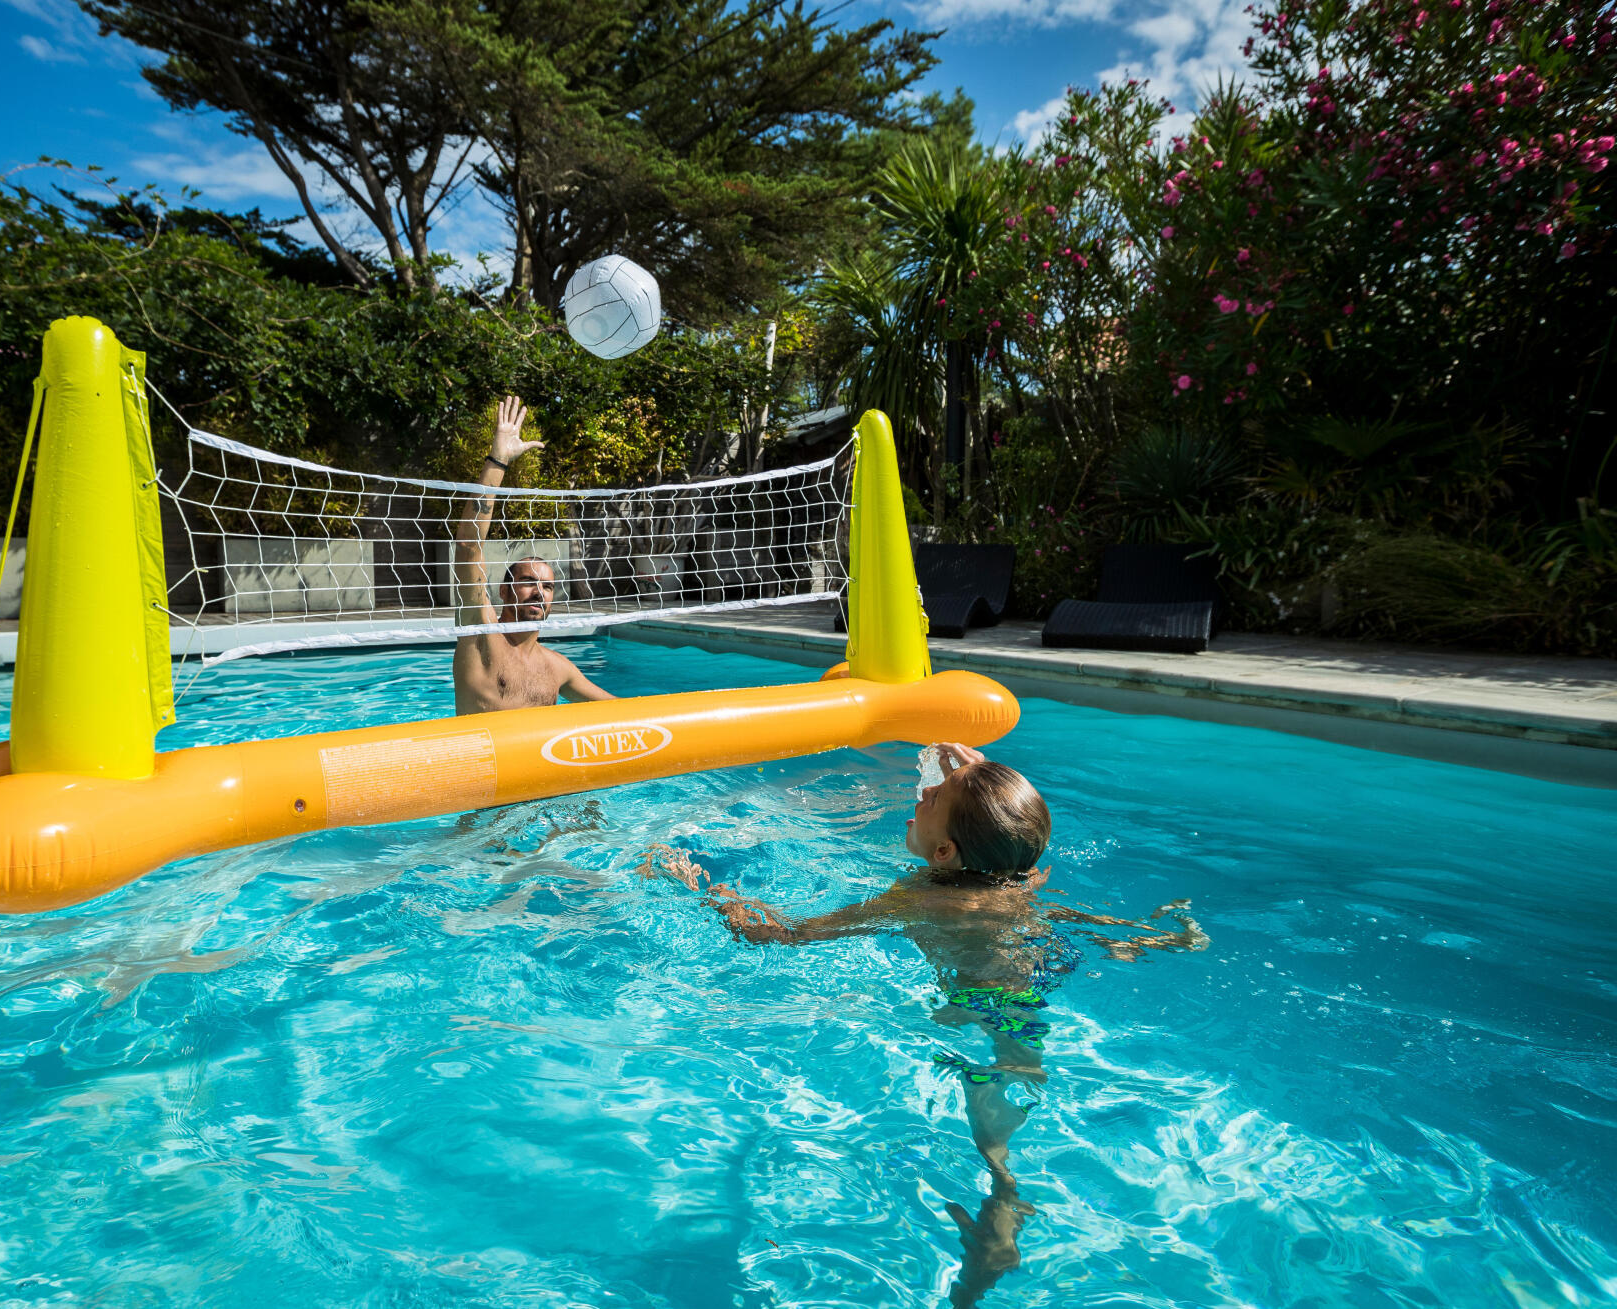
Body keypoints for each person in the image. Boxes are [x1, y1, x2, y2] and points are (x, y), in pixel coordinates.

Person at [640, 743, 1206, 1308]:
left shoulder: (917, 898)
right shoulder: (1013, 876)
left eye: (932, 796)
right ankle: (1140, 943)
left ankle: (1005, 1204)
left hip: (976, 1002)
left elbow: (789, 935)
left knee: (989, 1112)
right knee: (1009, 1080)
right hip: (1032, 979)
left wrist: (705, 891)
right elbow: (1009, 834)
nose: (921, 793)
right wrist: (977, 779)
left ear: (942, 853)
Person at [453, 395, 614, 715]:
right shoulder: (480, 633)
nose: (539, 592)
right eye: (528, 582)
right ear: (504, 590)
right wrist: (498, 461)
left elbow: (619, 710)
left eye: (548, 586)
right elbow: (468, 548)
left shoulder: (558, 668)